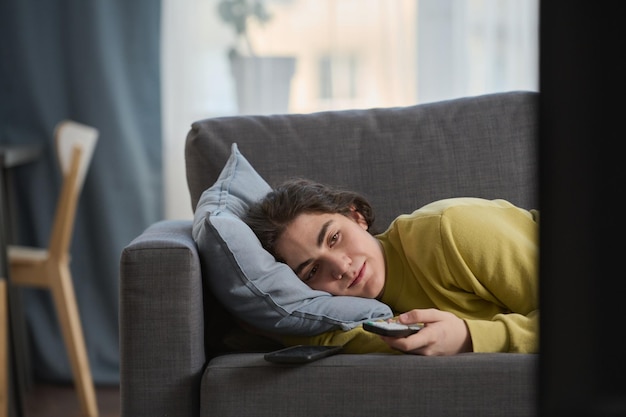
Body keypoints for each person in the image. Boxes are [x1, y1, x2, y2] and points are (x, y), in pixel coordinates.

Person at [244, 178, 539, 356]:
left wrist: (468, 336)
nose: (340, 267)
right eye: (312, 271)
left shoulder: (447, 231)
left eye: (334, 238)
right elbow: (325, 336)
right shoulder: (359, 316)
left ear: (356, 216)